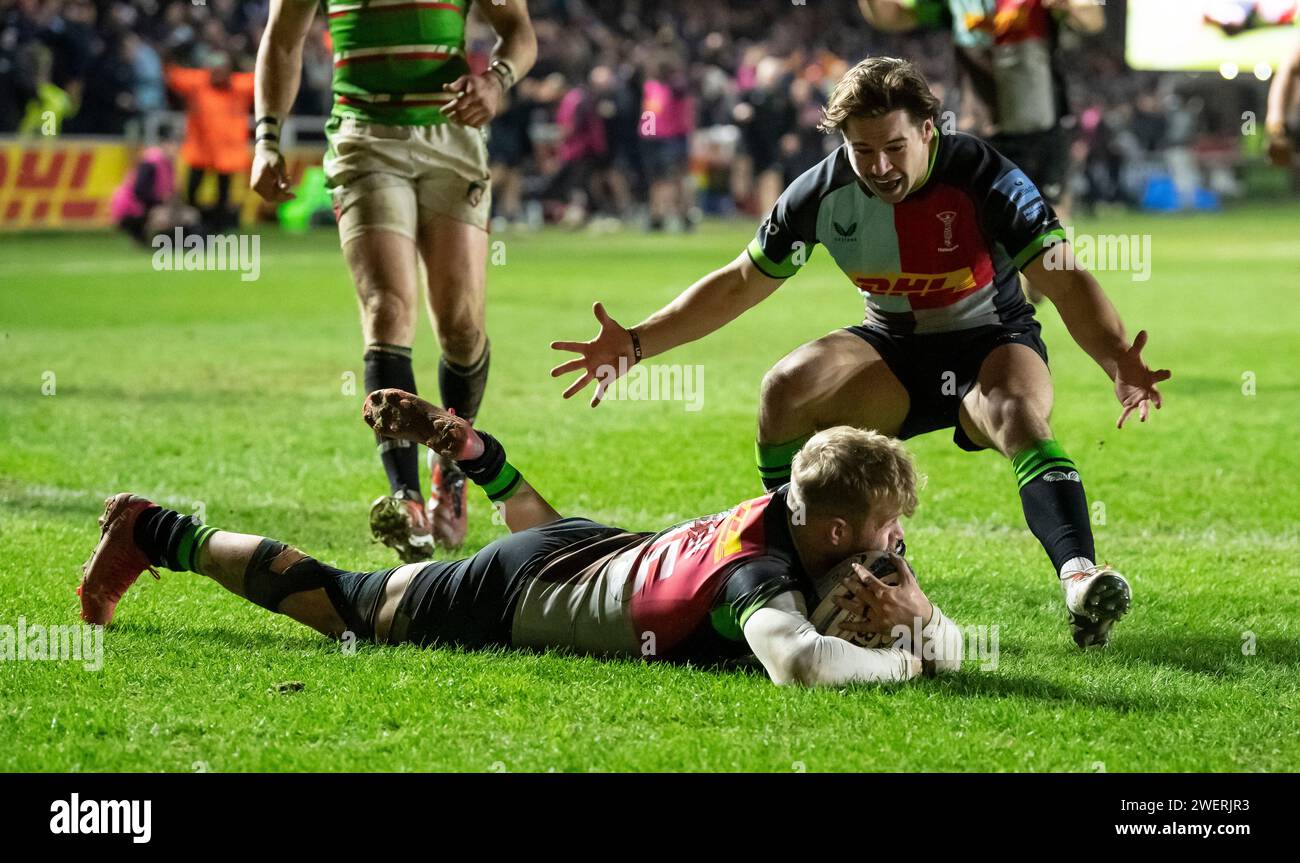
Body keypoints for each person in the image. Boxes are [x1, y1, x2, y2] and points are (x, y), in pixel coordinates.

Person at [551, 57, 1170, 649]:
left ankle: (1079, 578)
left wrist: (1118, 357)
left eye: (894, 147)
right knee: (784, 390)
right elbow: (742, 282)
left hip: (993, 341)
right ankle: (797, 572)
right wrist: (636, 343)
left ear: (928, 130)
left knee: (1015, 414)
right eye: (862, 149)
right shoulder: (821, 193)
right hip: (892, 349)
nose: (879, 166)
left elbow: (1061, 276)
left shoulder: (983, 176)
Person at [76, 389, 962, 687]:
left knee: (558, 547)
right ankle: (155, 530)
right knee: (349, 608)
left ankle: (478, 456)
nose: (898, 544)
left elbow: (943, 639)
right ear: (839, 526)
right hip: (520, 587)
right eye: (889, 529)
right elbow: (801, 663)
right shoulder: (759, 572)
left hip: (594, 551)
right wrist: (910, 660)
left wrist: (923, 616)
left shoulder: (806, 519)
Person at [251, 0, 537, 560]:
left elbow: (519, 32)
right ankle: (404, 497)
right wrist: (266, 138)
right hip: (365, 137)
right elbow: (282, 39)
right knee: (387, 309)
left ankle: (451, 463)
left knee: (460, 325)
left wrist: (497, 81)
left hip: (451, 135)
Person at [858, 0, 1106, 302]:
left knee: (1048, 254)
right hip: (980, 131)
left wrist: (1073, 8)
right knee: (975, 234)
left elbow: (1093, 20)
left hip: (1041, 128)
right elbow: (892, 17)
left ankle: (1042, 282)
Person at [166, 52, 255, 233]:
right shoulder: (198, 83)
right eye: (215, 70)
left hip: (227, 154)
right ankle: (189, 226)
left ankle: (217, 229)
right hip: (201, 151)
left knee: (223, 195)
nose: (218, 75)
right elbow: (173, 75)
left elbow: (266, 78)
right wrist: (170, 53)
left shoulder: (239, 86)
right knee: (191, 192)